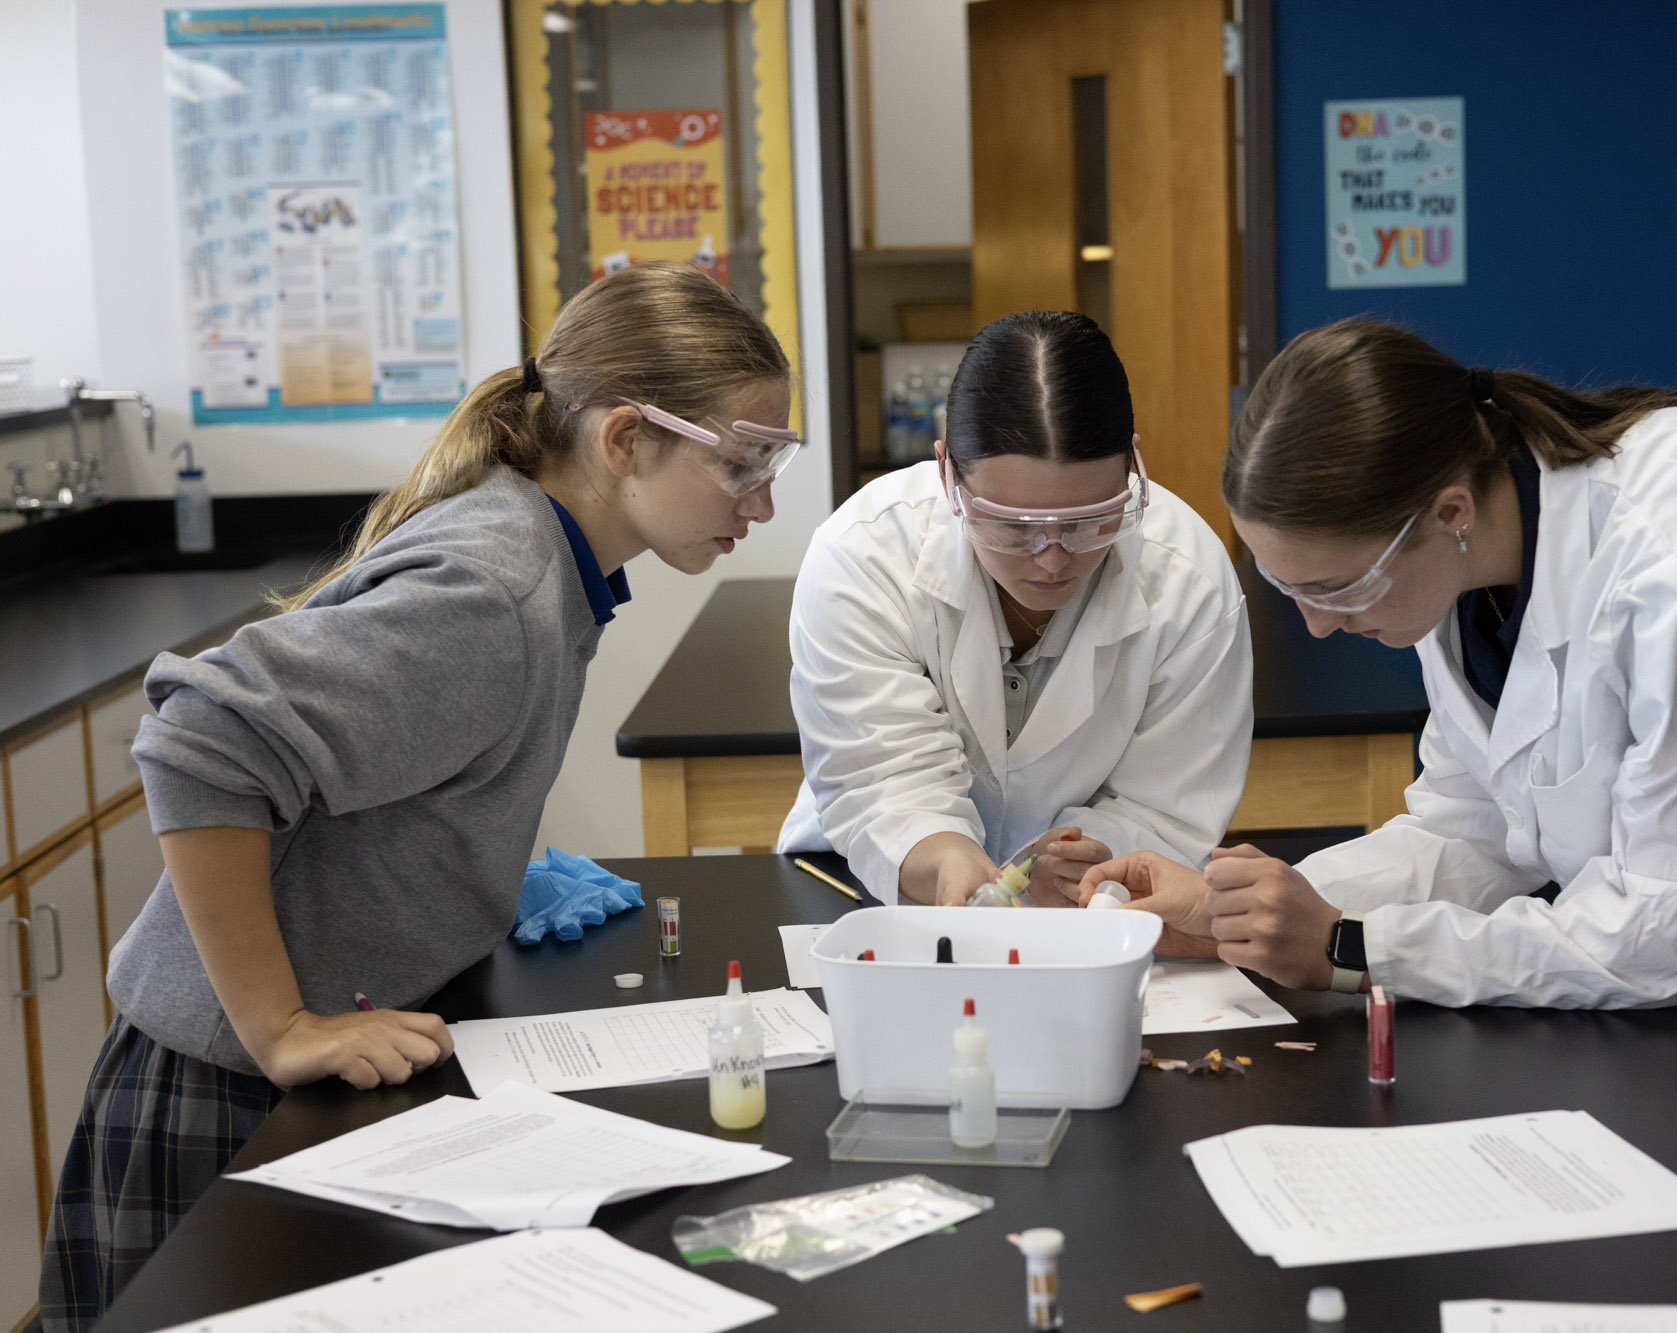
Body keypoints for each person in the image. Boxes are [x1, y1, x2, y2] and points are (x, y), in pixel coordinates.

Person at [1083, 317, 1677, 1249]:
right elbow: (1467, 825)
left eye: (1338, 589)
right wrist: (1241, 915)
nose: (1319, 628)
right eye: (1295, 594)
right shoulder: (1468, 563)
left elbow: (1663, 938)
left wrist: (1351, 945)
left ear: (1444, 511)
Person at [39, 262, 799, 1329]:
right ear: (626, 440)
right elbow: (200, 741)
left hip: (292, 1074)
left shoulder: (541, 554)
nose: (761, 504)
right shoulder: (497, 589)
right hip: (219, 1094)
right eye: (744, 465)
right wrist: (282, 1026)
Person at [779, 310, 1252, 905]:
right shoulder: (864, 557)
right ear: (948, 472)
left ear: (1133, 468)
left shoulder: (1189, 583)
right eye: (1010, 525)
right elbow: (883, 781)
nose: (1051, 560)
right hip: (868, 883)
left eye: (1088, 521)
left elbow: (1169, 803)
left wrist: (1096, 859)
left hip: (1093, 912)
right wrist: (947, 857)